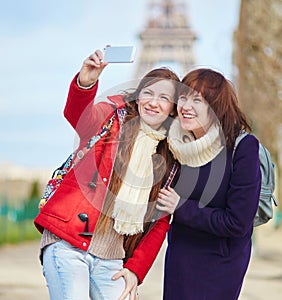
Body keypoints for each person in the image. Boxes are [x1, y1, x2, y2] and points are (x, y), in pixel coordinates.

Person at [34, 49, 180, 300]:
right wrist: (86, 82)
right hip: (68, 242)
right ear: (138, 96)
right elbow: (80, 117)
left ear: (173, 109)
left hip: (112, 257)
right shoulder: (111, 117)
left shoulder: (170, 159)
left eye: (164, 98)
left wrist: (135, 270)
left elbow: (160, 222)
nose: (154, 102)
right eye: (148, 93)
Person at [156, 68, 262, 300]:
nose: (186, 106)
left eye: (197, 100)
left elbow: (238, 222)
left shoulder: (242, 148)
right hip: (180, 259)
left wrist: (181, 207)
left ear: (215, 106)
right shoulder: (175, 144)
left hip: (220, 263)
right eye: (182, 97)